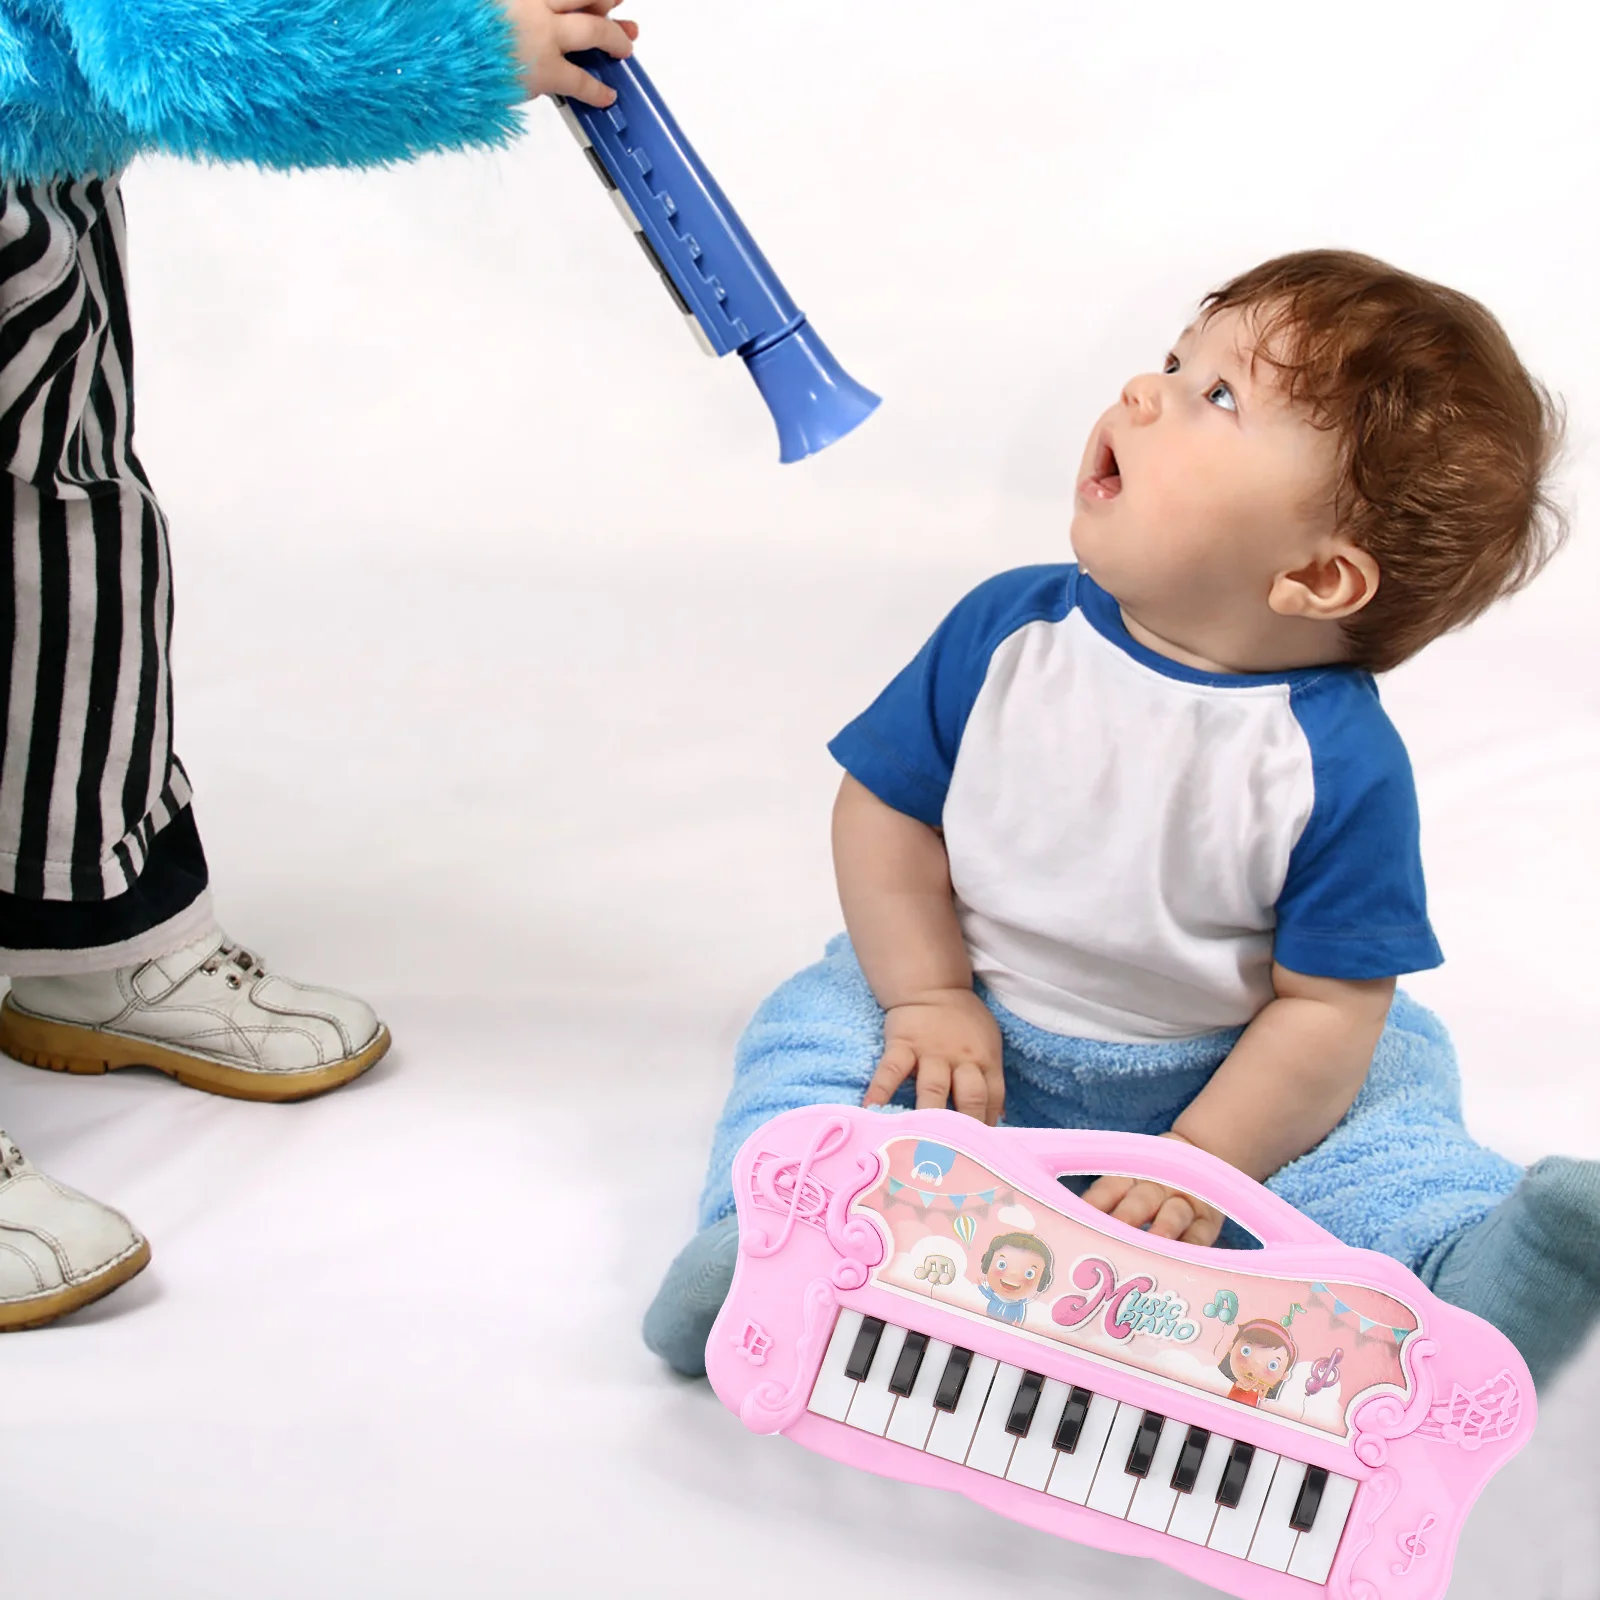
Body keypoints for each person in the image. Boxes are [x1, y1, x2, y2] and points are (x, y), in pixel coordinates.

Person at [644, 249, 1600, 1392]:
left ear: (1316, 579)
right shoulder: (1008, 634)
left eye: (1219, 397)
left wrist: (1205, 1159)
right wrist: (928, 994)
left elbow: (1327, 1006)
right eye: (1173, 362)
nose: (1144, 393)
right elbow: (886, 812)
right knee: (816, 1032)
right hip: (978, 1026)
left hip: (1227, 1074)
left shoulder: (1336, 767)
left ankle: (1468, 1283)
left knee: (1388, 1095)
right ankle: (769, 1240)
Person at [0, 0, 636, 1331]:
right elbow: (198, 47)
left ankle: (92, 937)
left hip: (36, 169)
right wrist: (469, 48)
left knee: (73, 535)